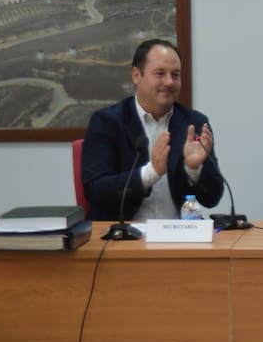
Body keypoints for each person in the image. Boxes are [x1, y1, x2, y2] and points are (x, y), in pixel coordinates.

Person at [81, 38, 223, 220]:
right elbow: (95, 191)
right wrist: (151, 173)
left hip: (180, 232)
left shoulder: (194, 123)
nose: (169, 82)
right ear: (136, 75)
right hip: (125, 234)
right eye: (160, 73)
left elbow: (212, 198)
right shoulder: (107, 122)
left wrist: (193, 169)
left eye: (175, 75)